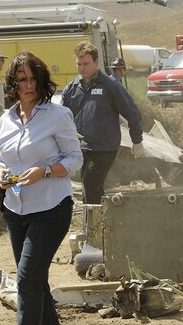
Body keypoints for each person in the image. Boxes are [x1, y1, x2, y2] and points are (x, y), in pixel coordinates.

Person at [0, 51, 83, 325]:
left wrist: (44, 171)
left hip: (52, 208)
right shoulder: (6, 119)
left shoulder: (58, 115)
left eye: (33, 79)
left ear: (41, 80)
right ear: (13, 84)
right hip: (16, 209)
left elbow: (75, 159)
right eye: (22, 80)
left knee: (27, 280)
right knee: (36, 282)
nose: (28, 85)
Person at [61, 41, 145, 205]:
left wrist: (137, 141)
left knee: (90, 183)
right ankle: (99, 218)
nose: (82, 68)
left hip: (104, 147)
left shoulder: (110, 86)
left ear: (96, 62)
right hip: (81, 147)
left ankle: (93, 220)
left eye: (86, 64)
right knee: (90, 186)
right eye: (79, 64)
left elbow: (132, 112)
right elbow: (61, 118)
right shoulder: (71, 88)